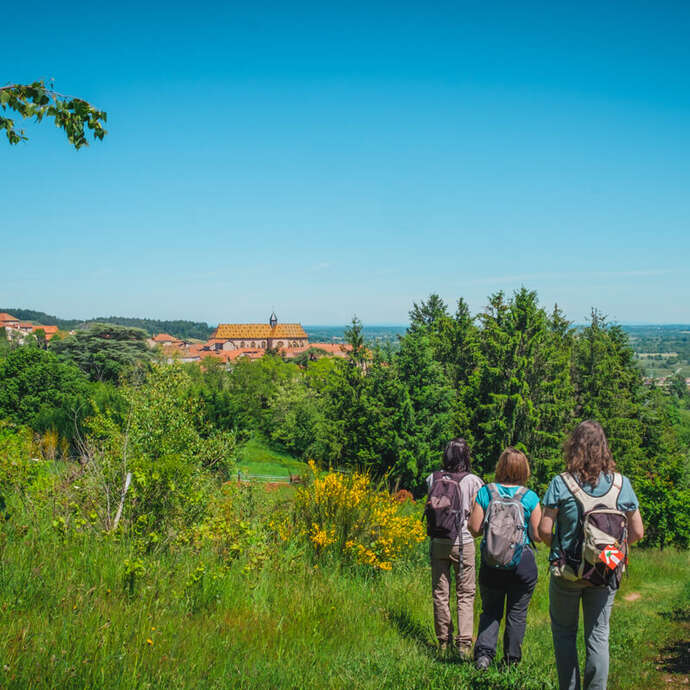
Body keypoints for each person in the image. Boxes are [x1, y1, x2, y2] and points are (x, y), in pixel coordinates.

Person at [539, 420, 645, 690]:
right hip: (604, 573)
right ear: (604, 448)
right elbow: (637, 533)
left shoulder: (560, 483)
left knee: (564, 635)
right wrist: (608, 553)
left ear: (573, 446)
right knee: (598, 636)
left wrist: (562, 548)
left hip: (568, 573)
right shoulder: (622, 485)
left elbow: (544, 530)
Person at [468, 447, 542, 670]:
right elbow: (538, 534)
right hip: (522, 563)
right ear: (524, 470)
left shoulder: (486, 492)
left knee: (491, 610)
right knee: (517, 613)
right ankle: (510, 662)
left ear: (500, 467)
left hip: (491, 562)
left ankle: (483, 656)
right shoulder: (530, 497)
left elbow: (474, 528)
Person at [426, 438, 483, 657]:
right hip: (463, 541)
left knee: (440, 593)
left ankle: (443, 642)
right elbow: (478, 514)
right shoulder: (473, 481)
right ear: (466, 457)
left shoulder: (433, 478)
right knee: (465, 593)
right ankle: (464, 645)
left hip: (438, 541)